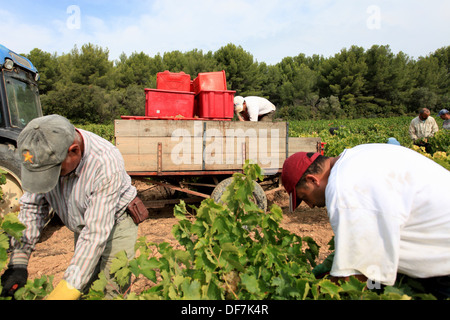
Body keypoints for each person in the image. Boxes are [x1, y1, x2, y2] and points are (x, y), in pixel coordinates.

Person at [281, 144, 450, 299]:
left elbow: (357, 276)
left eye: (304, 197)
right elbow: (369, 239)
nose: (310, 206)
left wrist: (316, 292)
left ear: (312, 180)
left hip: (443, 263)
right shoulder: (356, 157)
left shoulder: (343, 188)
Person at [1, 114, 140, 300]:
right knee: (84, 287)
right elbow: (33, 206)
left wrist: (62, 295)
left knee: (111, 291)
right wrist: (18, 263)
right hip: (83, 226)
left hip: (117, 224)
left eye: (55, 171)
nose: (52, 178)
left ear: (74, 151)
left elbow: (95, 233)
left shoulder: (105, 163)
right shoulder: (44, 154)